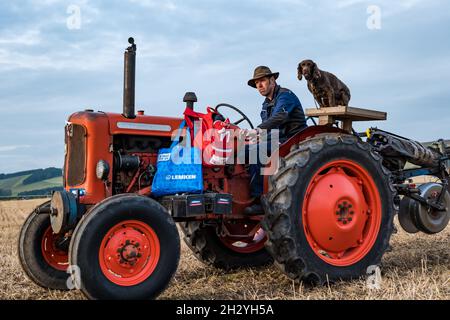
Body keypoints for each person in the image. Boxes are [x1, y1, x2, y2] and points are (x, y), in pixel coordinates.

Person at [243, 66, 307, 215]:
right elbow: (268, 130)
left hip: (293, 139)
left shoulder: (285, 96)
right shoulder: (266, 104)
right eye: (256, 83)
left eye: (262, 81)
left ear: (272, 80)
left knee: (256, 152)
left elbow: (279, 117)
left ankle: (259, 200)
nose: (259, 85)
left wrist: (258, 130)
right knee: (242, 150)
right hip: (276, 138)